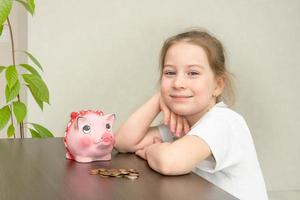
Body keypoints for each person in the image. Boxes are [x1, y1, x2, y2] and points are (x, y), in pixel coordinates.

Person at [114, 28, 268, 200]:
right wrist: (158, 100)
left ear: (218, 85)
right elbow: (123, 143)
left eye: (193, 73)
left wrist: (152, 150)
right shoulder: (181, 126)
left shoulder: (224, 122)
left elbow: (170, 162)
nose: (178, 83)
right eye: (170, 73)